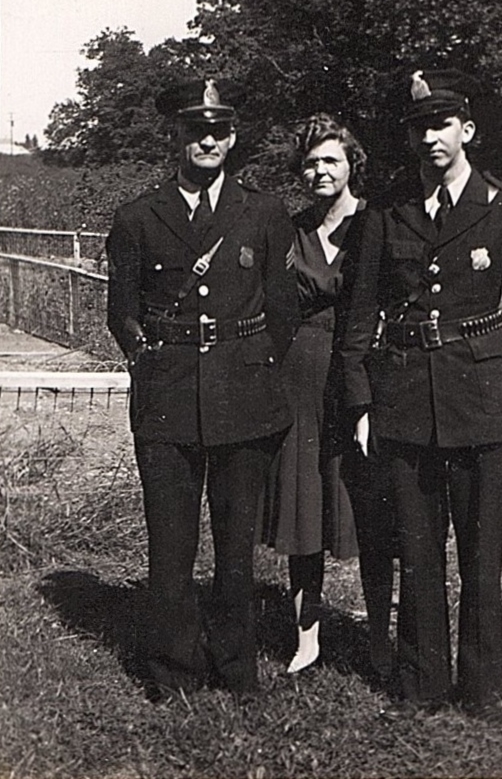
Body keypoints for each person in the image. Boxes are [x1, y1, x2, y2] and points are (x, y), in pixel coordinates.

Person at [342, 69, 502, 721]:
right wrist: (361, 403)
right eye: (420, 126)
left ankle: (484, 688)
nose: (431, 136)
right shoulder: (387, 213)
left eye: (442, 124)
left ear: (468, 131)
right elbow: (358, 317)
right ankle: (421, 681)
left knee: (481, 556)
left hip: (483, 402)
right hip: (403, 401)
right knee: (419, 550)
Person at [106, 77, 299, 697]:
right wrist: (148, 361)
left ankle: (235, 665)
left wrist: (257, 361)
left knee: (236, 547)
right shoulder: (138, 216)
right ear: (178, 138)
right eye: (196, 131)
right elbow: (122, 311)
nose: (208, 140)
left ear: (233, 138)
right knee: (171, 545)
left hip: (244, 397)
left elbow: (284, 306)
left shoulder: (263, 212)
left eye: (218, 131)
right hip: (168, 398)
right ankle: (174, 669)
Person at [260, 113, 398, 676]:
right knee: (304, 508)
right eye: (311, 162)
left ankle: (381, 638)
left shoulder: (378, 224)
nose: (320, 170)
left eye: (331, 160)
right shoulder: (290, 231)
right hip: (300, 378)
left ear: (352, 166)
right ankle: (307, 637)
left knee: (367, 507)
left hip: (361, 377)